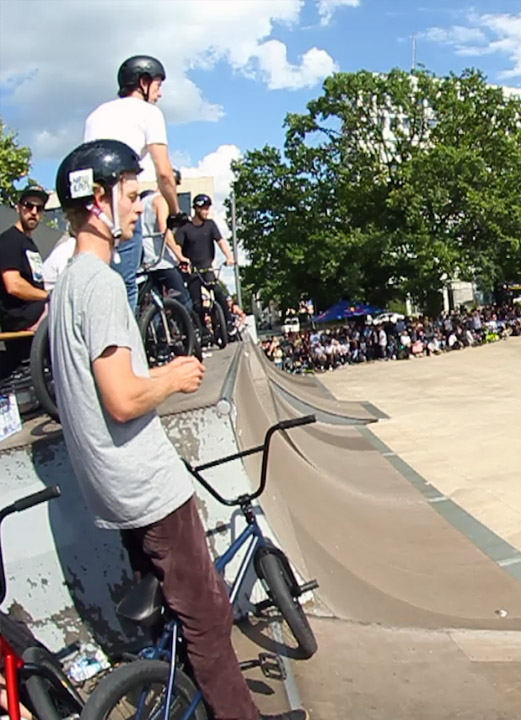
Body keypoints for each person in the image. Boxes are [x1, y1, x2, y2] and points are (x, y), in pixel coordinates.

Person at [47, 139, 306, 720]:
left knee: (178, 611)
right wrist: (172, 376)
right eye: (132, 195)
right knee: (208, 616)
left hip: (109, 490)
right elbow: (122, 398)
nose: (140, 208)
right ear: (98, 200)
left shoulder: (65, 285)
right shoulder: (102, 284)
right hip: (146, 487)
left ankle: (186, 698)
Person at [84, 55, 182, 313]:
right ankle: (125, 347)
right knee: (126, 282)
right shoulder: (149, 113)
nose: (160, 94)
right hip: (119, 198)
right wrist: (175, 210)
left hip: (89, 201)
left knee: (97, 273)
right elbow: (164, 173)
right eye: (158, 86)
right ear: (143, 82)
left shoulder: (96, 114)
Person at [0, 184, 51, 381]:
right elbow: (13, 284)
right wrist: (48, 296)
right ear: (19, 208)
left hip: (35, 312)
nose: (33, 212)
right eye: (29, 206)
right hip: (20, 317)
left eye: (39, 209)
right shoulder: (9, 241)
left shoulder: (29, 244)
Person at [177, 193, 235, 338]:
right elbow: (177, 246)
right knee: (196, 303)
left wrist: (229, 256)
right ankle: (202, 330)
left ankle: (228, 322)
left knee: (218, 292)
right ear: (196, 209)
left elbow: (221, 241)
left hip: (207, 266)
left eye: (207, 209)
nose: (206, 212)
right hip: (193, 270)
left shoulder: (210, 225)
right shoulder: (185, 228)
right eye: (203, 209)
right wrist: (182, 259)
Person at [137, 170, 193, 314]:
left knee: (154, 304)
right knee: (184, 300)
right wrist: (180, 257)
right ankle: (187, 334)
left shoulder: (143, 202)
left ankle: (156, 335)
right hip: (161, 261)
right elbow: (164, 230)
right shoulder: (161, 201)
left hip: (145, 261)